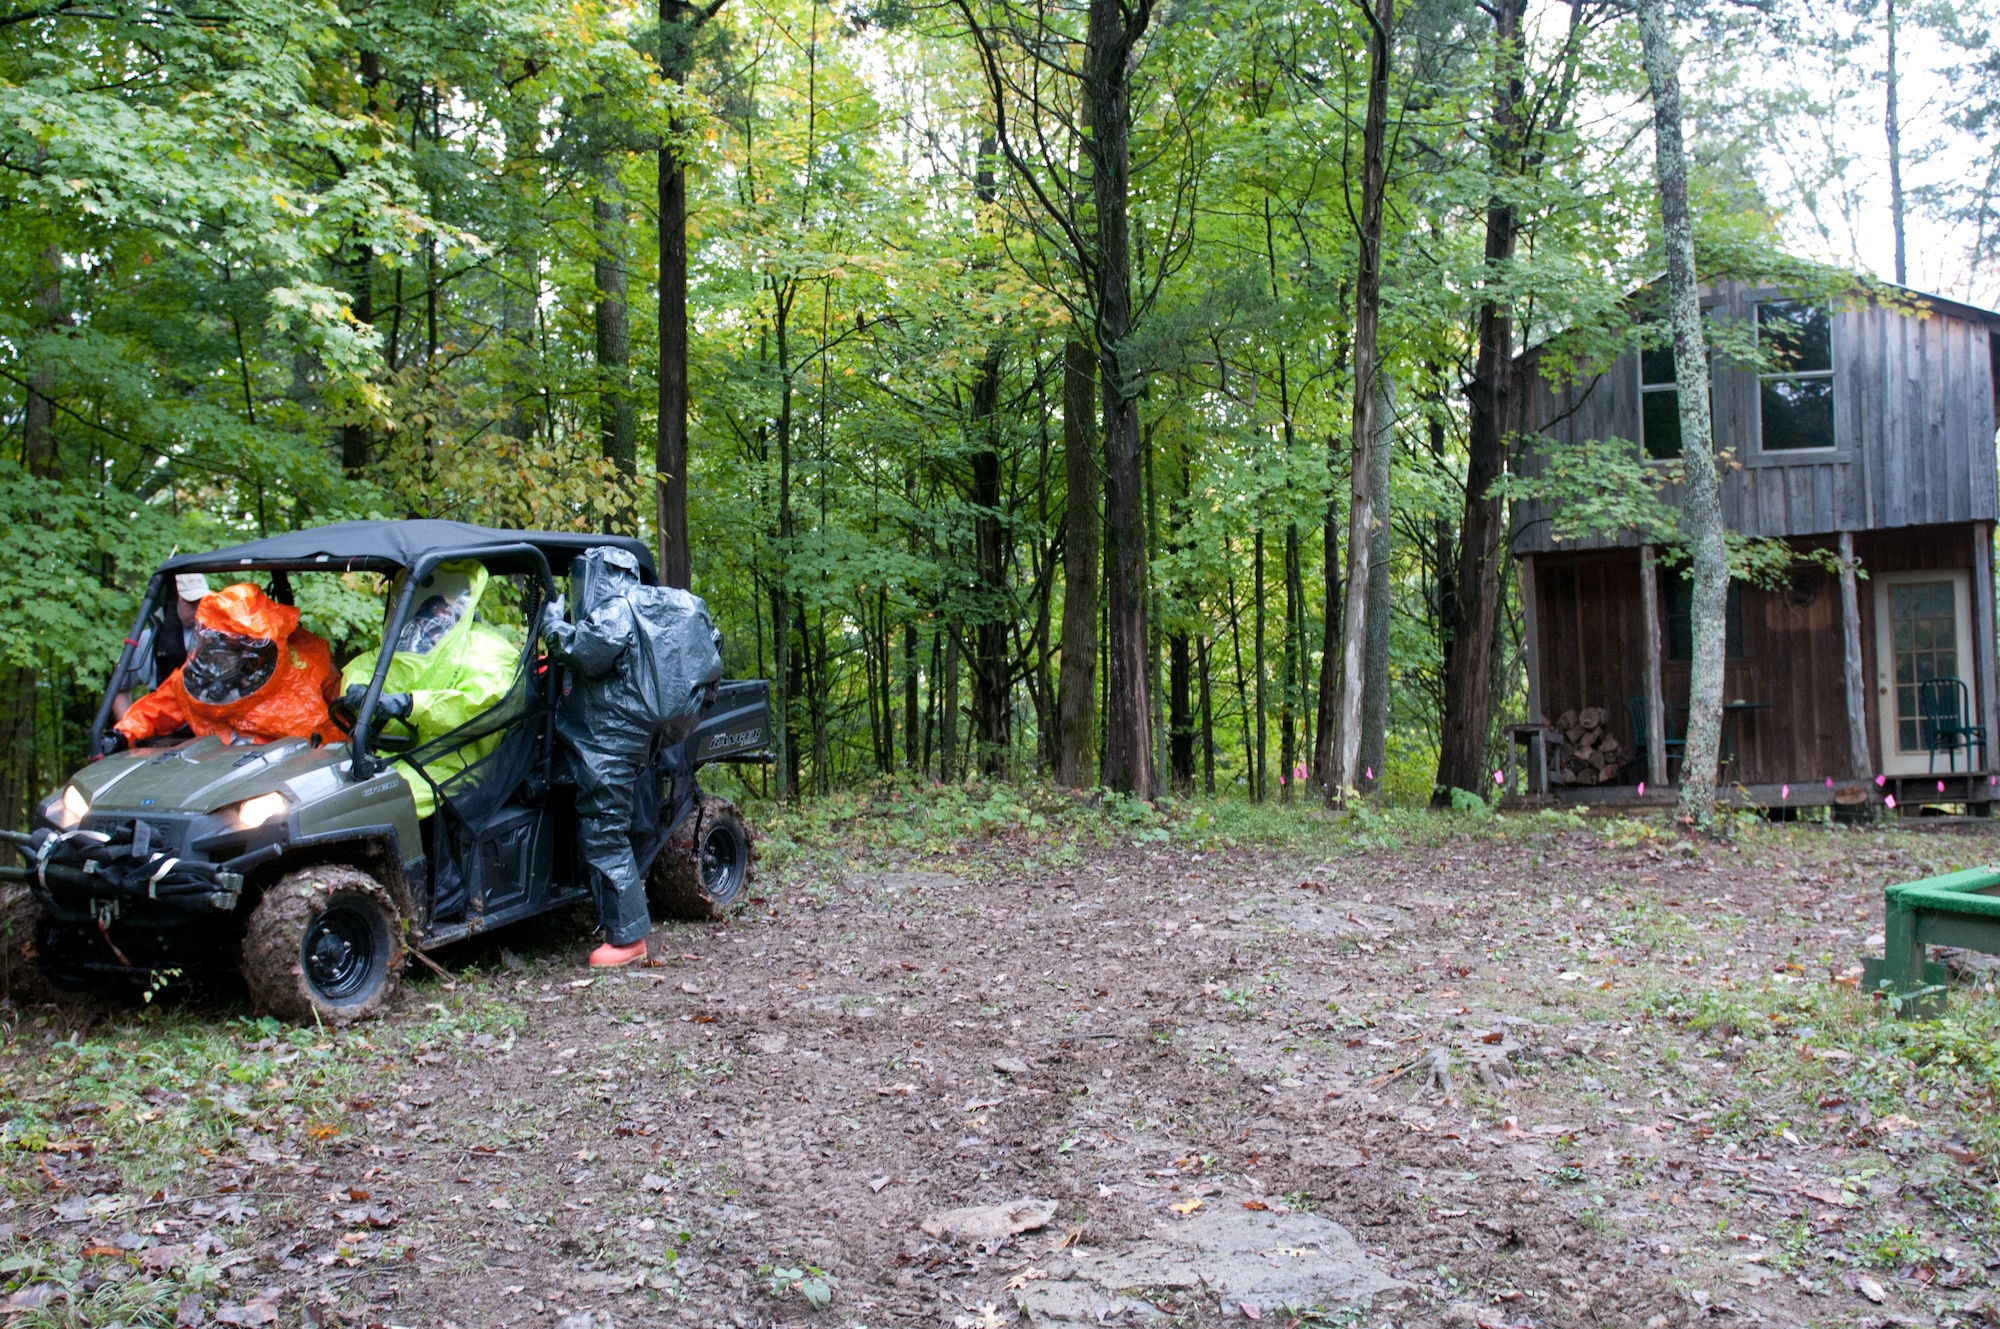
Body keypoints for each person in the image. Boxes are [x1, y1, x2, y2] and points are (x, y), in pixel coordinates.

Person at [542, 546, 722, 968]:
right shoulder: (653, 607)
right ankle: (617, 925)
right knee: (605, 829)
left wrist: (552, 623)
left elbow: (586, 648)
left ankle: (628, 939)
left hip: (606, 743)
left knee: (604, 834)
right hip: (624, 741)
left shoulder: (618, 610)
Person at [338, 560, 521, 820]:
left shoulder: (486, 649)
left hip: (454, 763)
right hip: (393, 756)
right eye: (427, 612)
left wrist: (412, 704)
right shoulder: (408, 643)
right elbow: (369, 665)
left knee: (371, 810)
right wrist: (356, 688)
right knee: (329, 795)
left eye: (440, 611)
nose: (431, 621)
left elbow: (482, 703)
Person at [112, 582, 343, 749]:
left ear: (255, 651)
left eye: (231, 647)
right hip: (221, 768)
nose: (220, 657)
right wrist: (121, 735)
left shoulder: (302, 667)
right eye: (217, 644)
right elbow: (156, 709)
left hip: (291, 770)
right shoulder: (200, 678)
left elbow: (336, 727)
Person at [111, 573, 209, 720]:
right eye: (191, 602)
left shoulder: (219, 636)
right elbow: (117, 689)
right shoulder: (148, 640)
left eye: (201, 601)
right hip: (164, 732)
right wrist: (131, 734)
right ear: (174, 599)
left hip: (212, 729)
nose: (197, 608)